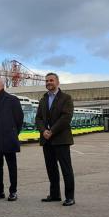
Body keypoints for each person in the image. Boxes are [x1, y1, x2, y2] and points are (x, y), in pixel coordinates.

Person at [35, 72, 76, 206]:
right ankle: (54, 195)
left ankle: (70, 197)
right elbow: (38, 118)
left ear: (57, 82)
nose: (48, 83)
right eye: (46, 81)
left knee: (66, 169)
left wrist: (51, 131)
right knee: (51, 168)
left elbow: (66, 118)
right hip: (47, 140)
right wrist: (43, 131)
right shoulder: (43, 99)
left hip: (61, 139)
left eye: (51, 80)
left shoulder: (66, 98)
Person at [0, 78, 23, 201]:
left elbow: (19, 119)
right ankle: (0, 191)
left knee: (12, 167)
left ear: (3, 86)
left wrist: (13, 133)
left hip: (8, 139)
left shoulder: (12, 100)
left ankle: (13, 191)